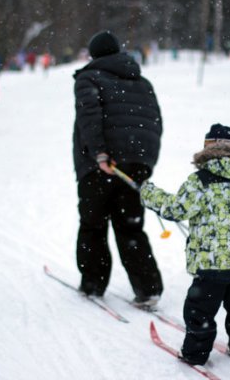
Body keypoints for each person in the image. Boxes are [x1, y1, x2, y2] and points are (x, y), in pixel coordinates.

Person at [140, 124, 230, 366]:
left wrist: (150, 194)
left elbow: (176, 209)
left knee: (200, 310)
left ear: (210, 148)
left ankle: (195, 354)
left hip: (212, 264)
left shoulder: (202, 180)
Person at [72, 30, 164, 307]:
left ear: (93, 55)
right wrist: (143, 163)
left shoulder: (88, 78)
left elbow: (90, 117)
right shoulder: (143, 82)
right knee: (130, 226)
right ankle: (148, 288)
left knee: (93, 225)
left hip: (100, 166)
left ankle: (92, 284)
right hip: (134, 167)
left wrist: (100, 153)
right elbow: (154, 124)